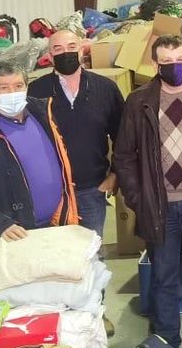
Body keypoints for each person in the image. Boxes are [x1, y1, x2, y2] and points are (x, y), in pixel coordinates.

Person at [113, 36, 182, 348]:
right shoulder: (140, 101)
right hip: (160, 205)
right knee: (164, 275)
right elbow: (124, 156)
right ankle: (167, 344)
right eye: (167, 62)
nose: (175, 67)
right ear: (155, 64)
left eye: (180, 59)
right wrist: (138, 197)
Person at [0, 61, 79, 242]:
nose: (12, 93)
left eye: (18, 86)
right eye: (3, 87)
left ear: (26, 88)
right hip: (14, 236)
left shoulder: (44, 117)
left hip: (57, 225)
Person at [27, 28, 123, 239]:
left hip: (91, 190)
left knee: (90, 256)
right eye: (58, 49)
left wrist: (116, 174)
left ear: (82, 50)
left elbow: (123, 136)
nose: (66, 53)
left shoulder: (106, 89)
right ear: (50, 57)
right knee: (55, 258)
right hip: (50, 194)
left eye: (71, 47)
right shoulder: (35, 92)